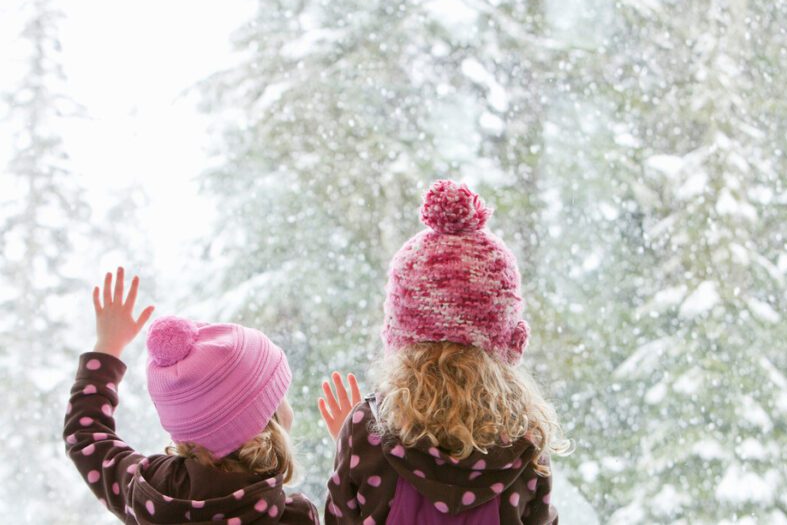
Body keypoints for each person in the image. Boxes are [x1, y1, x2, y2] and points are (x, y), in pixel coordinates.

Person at [318, 180, 569, 524]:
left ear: (398, 334)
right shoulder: (525, 442)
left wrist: (356, 444)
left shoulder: (367, 431)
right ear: (510, 341)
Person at [64, 267, 319, 524]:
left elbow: (85, 438)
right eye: (280, 396)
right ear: (263, 430)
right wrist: (351, 452)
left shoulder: (148, 492)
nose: (290, 408)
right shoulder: (292, 517)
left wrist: (107, 347)